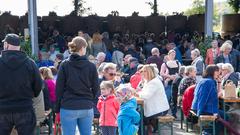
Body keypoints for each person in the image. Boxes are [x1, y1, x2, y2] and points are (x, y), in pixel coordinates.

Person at [56, 36, 99, 135]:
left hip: (68, 106)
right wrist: (91, 101)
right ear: (82, 48)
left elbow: (59, 88)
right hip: (86, 105)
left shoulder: (64, 65)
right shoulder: (91, 66)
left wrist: (57, 108)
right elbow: (96, 88)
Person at [0, 33, 42, 135]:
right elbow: (38, 87)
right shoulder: (30, 63)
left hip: (2, 109)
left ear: (6, 44)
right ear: (19, 46)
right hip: (24, 108)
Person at [137, 64, 169, 134]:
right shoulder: (148, 81)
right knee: (138, 114)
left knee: (138, 117)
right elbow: (143, 92)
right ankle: (148, 130)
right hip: (155, 107)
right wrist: (137, 92)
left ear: (149, 72)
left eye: (144, 71)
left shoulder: (154, 82)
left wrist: (136, 94)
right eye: (142, 71)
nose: (142, 73)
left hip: (160, 109)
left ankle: (145, 132)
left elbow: (146, 95)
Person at [191, 65, 223, 134]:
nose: (219, 73)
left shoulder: (204, 80)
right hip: (203, 108)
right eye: (217, 71)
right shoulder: (209, 82)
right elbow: (203, 98)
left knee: (224, 115)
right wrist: (214, 112)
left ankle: (207, 131)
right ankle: (207, 132)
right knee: (226, 117)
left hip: (198, 107)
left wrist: (219, 83)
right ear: (212, 72)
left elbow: (213, 95)